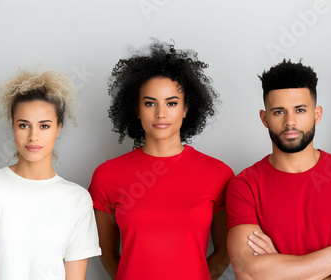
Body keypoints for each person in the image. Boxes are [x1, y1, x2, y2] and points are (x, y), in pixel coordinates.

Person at [226, 59, 331, 279]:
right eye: (279, 112)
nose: (290, 122)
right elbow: (250, 272)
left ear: (317, 115)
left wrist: (283, 271)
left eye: (300, 110)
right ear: (264, 118)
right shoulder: (245, 186)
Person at [89, 40, 234, 280]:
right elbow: (107, 254)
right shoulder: (107, 175)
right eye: (150, 103)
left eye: (172, 103)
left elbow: (224, 251)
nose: (161, 114)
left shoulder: (218, 174)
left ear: (186, 108)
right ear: (136, 109)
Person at [0, 67, 101, 280]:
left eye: (44, 126)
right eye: (24, 125)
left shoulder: (77, 200)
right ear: (13, 126)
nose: (33, 136)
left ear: (58, 128)